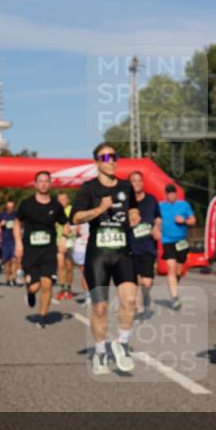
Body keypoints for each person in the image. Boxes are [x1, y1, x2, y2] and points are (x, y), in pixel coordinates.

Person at [71, 143, 140, 374]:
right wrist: (100, 209)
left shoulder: (125, 186)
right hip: (98, 255)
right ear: (96, 162)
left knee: (130, 301)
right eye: (105, 157)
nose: (111, 161)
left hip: (122, 251)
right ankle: (100, 353)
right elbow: (76, 217)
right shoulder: (88, 188)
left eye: (114, 156)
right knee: (100, 308)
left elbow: (133, 209)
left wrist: (134, 215)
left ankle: (121, 343)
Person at [14, 171, 67, 327]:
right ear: (35, 184)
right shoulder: (26, 204)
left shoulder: (56, 206)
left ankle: (42, 317)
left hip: (49, 250)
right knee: (35, 286)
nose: (43, 184)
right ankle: (30, 293)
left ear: (50, 183)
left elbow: (65, 223)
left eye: (46, 181)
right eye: (40, 181)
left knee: (47, 283)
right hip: (30, 251)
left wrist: (63, 238)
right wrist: (18, 242)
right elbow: (17, 223)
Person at [128, 171, 162, 319]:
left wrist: (156, 227)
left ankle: (145, 298)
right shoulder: (126, 203)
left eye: (139, 181)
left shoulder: (151, 200)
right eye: (134, 181)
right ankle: (140, 309)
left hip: (148, 246)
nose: (137, 183)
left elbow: (158, 218)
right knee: (134, 280)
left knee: (146, 282)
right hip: (130, 247)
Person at [158, 183, 196, 311]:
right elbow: (155, 220)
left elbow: (193, 220)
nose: (171, 195)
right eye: (168, 193)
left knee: (178, 270)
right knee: (171, 267)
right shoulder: (160, 206)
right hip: (167, 240)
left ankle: (174, 283)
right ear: (166, 195)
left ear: (176, 194)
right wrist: (157, 227)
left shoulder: (184, 205)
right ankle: (175, 298)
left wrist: (184, 221)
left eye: (173, 193)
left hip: (181, 241)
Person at [54, 192, 75, 300]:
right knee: (61, 265)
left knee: (69, 267)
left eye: (64, 199)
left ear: (68, 200)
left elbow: (78, 222)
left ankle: (69, 288)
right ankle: (62, 288)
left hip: (71, 240)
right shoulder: (54, 210)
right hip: (58, 240)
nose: (62, 202)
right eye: (60, 200)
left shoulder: (72, 209)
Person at [0, 201, 18, 286]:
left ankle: (14, 278)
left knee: (14, 260)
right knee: (7, 261)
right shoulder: (1, 215)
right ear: (6, 207)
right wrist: (0, 224)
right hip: (5, 240)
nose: (10, 208)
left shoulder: (16, 214)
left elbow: (22, 223)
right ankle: (8, 279)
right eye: (9, 207)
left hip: (14, 239)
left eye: (12, 207)